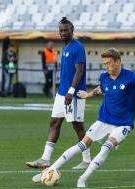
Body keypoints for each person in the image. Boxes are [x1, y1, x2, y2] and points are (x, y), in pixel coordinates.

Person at [32, 47, 135, 188]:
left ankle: (82, 179)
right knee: (81, 145)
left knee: (105, 148)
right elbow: (100, 89)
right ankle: (49, 170)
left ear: (118, 61)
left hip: (123, 124)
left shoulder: (131, 77)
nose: (106, 66)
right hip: (104, 120)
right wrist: (87, 95)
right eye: (104, 64)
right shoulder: (104, 77)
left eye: (109, 63)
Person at [26, 17, 91, 170]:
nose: (62, 33)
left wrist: (71, 91)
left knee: (77, 126)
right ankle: (45, 159)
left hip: (73, 94)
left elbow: (79, 71)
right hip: (62, 93)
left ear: (72, 30)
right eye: (60, 30)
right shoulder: (65, 47)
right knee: (54, 122)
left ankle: (87, 160)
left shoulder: (77, 47)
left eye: (65, 30)